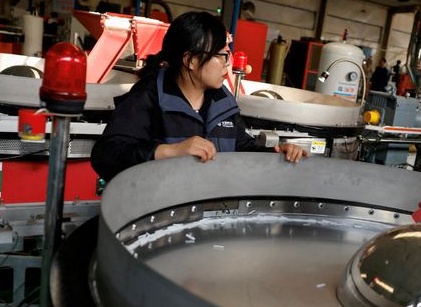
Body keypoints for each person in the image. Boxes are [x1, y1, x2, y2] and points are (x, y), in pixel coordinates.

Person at [91, 11, 307, 181]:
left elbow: (241, 149)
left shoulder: (223, 101)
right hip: (159, 216)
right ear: (191, 61)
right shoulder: (149, 98)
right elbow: (106, 156)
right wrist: (169, 151)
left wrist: (277, 155)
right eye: (221, 55)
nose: (228, 62)